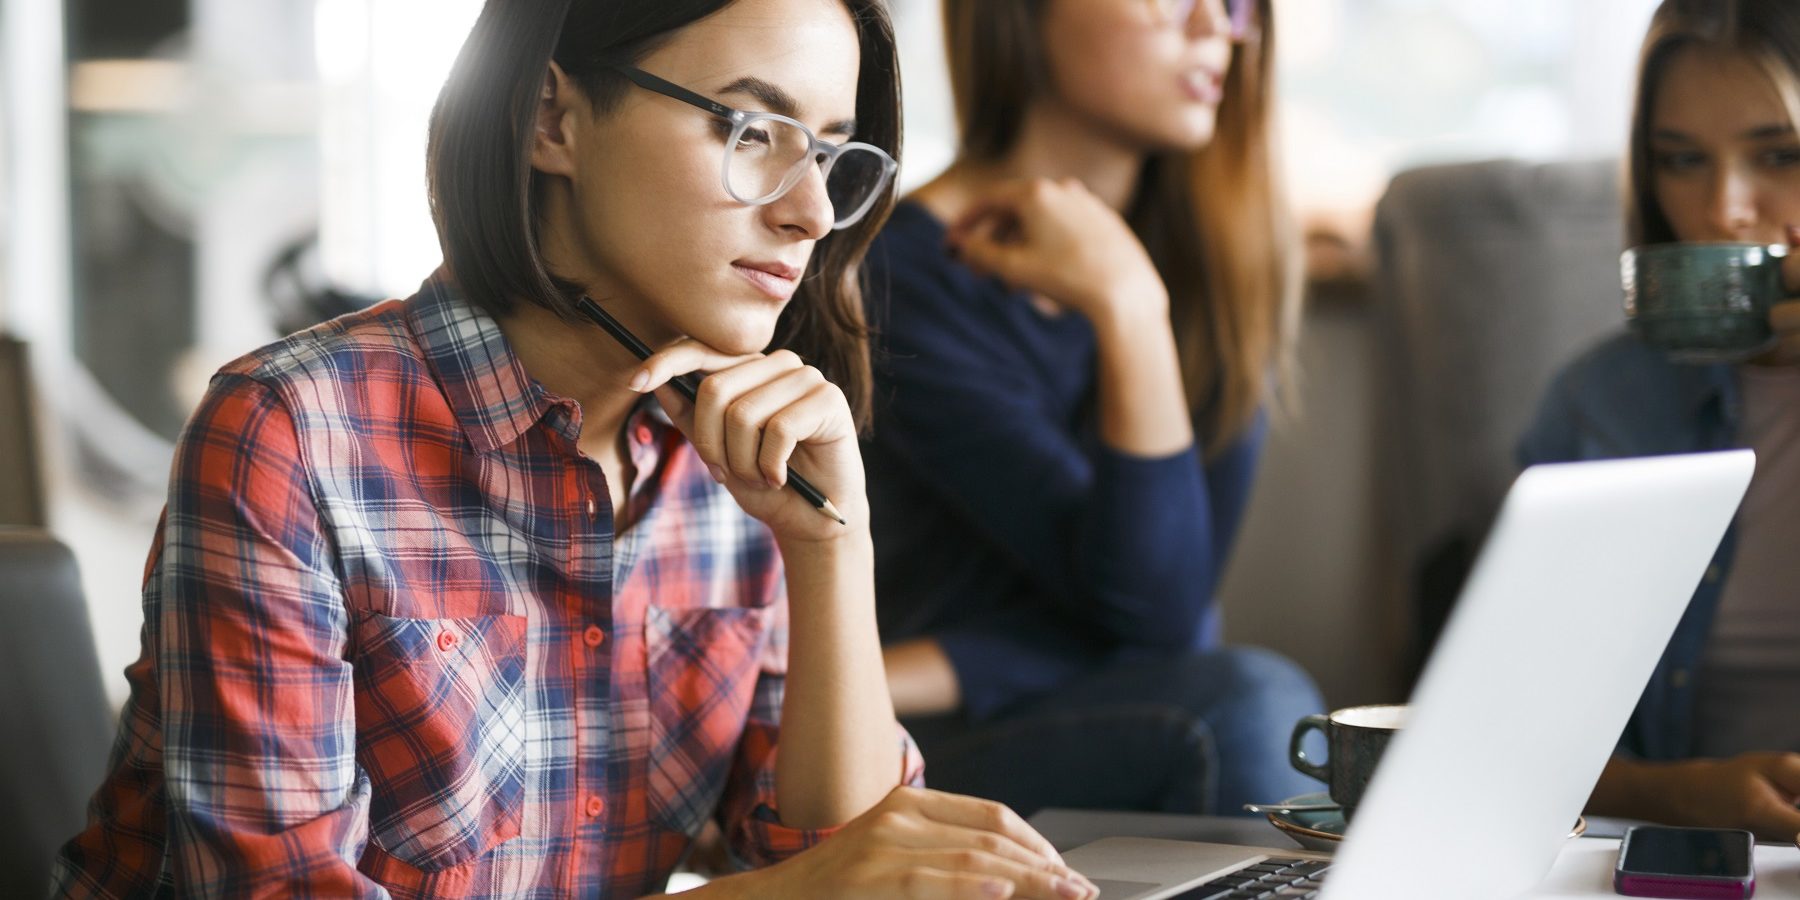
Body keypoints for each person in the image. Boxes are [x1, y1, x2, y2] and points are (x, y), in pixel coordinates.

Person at [50, 0, 1100, 896]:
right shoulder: (293, 433)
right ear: (553, 117)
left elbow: (849, 859)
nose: (813, 211)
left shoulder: (734, 455)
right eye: (751, 131)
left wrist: (834, 547)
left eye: (830, 152)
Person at [865, 0, 1322, 817]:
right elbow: (1161, 613)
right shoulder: (895, 279)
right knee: (1250, 704)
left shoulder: (1217, 274)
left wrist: (953, 659)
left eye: (1234, 4)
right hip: (925, 744)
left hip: (1087, 701)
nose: (1213, 27)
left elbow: (1170, 614)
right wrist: (1128, 309)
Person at [1520, 0, 1800, 843]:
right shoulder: (1601, 408)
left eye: (1782, 154)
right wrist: (1680, 798)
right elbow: (1513, 744)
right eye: (1682, 160)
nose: (1725, 209)